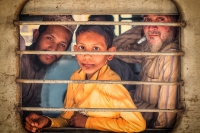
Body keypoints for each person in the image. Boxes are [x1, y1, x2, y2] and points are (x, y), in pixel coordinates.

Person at [25, 25, 146, 133]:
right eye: (82, 48)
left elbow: (137, 125)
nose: (87, 56)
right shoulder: (76, 77)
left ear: (110, 53)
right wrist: (47, 122)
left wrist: (88, 122)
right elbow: (66, 119)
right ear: (75, 51)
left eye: (96, 49)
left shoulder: (110, 85)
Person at [113, 15, 179, 128]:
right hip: (131, 112)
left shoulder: (170, 55)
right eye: (147, 19)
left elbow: (166, 120)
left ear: (177, 24)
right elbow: (114, 49)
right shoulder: (151, 48)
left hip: (141, 125)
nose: (151, 26)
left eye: (160, 19)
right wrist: (146, 29)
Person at [21, 15, 77, 120]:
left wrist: (38, 119)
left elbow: (32, 103)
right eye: (50, 38)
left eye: (62, 45)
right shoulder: (19, 62)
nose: (54, 49)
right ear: (36, 35)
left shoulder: (40, 65)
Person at [88, 15, 139, 91]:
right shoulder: (89, 49)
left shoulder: (120, 48)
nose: (94, 30)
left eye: (99, 26)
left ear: (111, 26)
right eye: (92, 26)